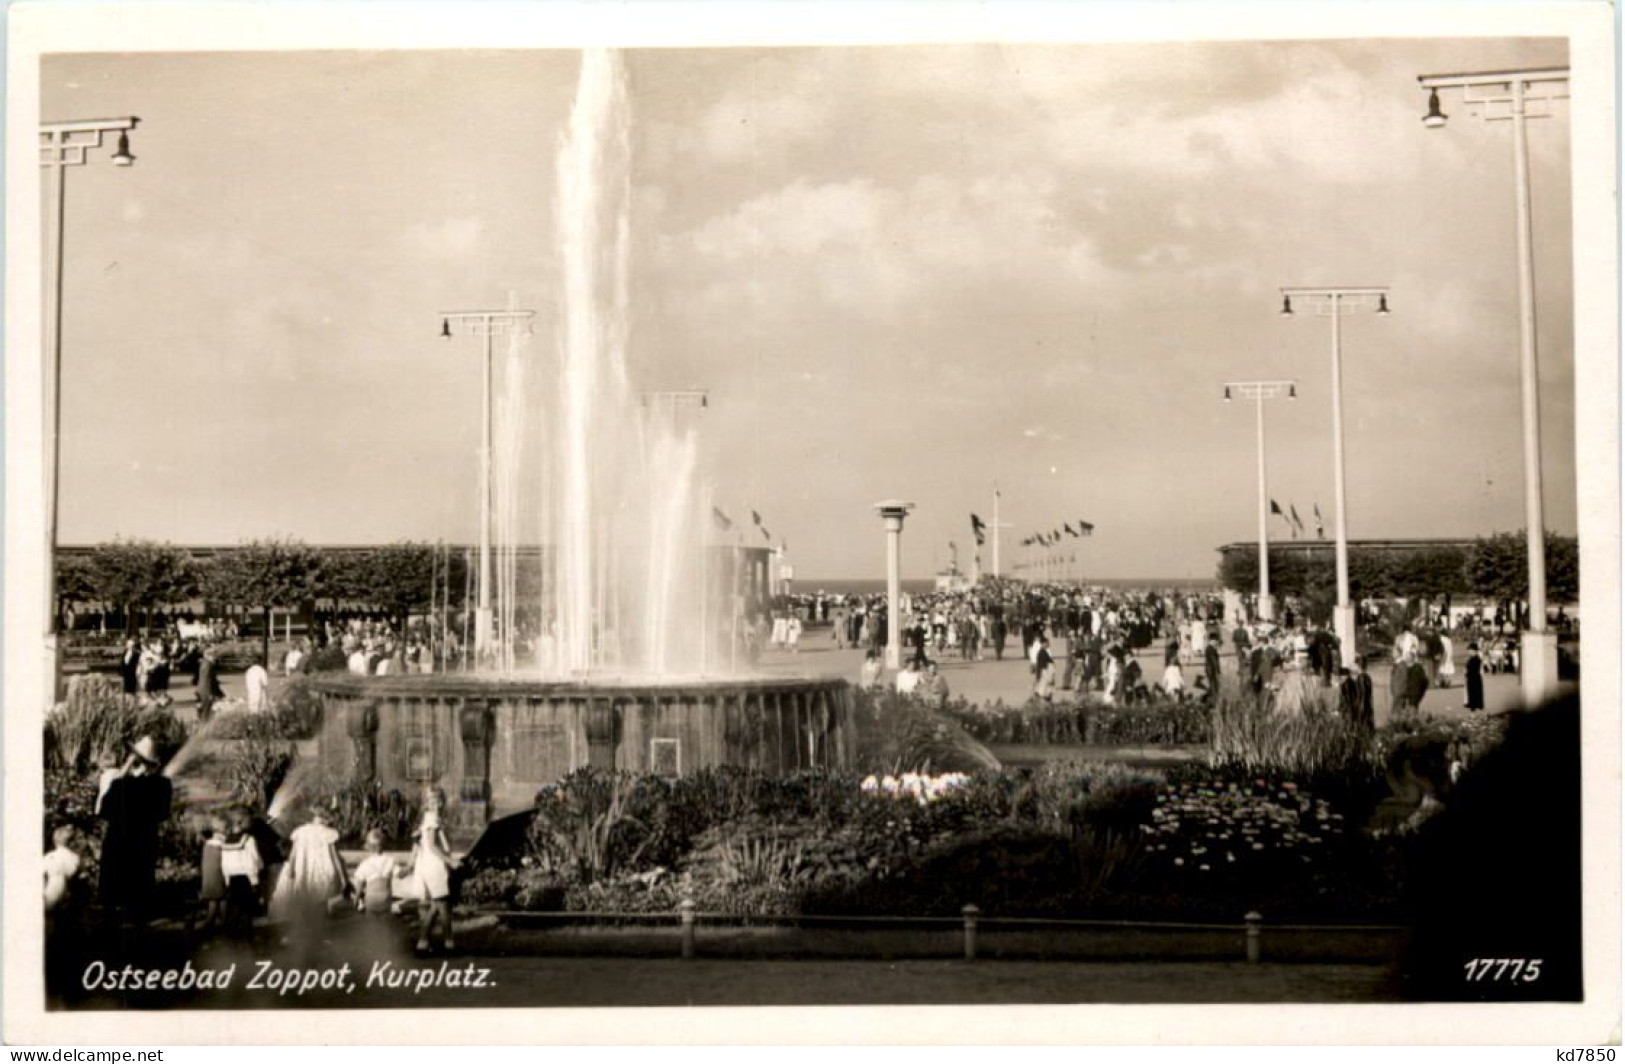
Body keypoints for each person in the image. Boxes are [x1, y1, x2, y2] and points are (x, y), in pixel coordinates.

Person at [97, 736, 174, 924]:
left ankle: (110, 914)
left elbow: (104, 811)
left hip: (117, 837)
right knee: (141, 874)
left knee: (114, 873)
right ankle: (138, 914)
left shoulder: (119, 784)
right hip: (144, 838)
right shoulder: (162, 785)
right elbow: (163, 813)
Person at [270, 807, 348, 931]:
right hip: (323, 870)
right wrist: (343, 878)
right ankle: (319, 928)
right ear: (324, 819)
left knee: (305, 898)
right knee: (321, 899)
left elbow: (293, 853)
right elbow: (335, 857)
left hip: (304, 869)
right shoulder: (328, 833)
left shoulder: (300, 832)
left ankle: (305, 928)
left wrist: (291, 869)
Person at [412, 789, 460, 953]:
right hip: (434, 866)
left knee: (437, 904)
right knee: (443, 904)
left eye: (439, 801)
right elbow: (432, 846)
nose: (437, 804)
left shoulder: (432, 818)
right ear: (427, 803)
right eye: (432, 801)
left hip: (433, 865)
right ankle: (449, 942)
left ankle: (423, 941)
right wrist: (450, 861)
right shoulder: (431, 819)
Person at [219, 807, 264, 937]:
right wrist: (255, 880)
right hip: (246, 878)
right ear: (241, 821)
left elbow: (224, 864)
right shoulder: (248, 839)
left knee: (234, 907)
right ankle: (247, 938)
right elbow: (253, 860)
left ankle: (231, 937)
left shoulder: (226, 841)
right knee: (247, 910)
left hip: (232, 878)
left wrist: (226, 879)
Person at [352, 830, 401, 915]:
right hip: (385, 900)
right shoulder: (390, 861)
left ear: (369, 847)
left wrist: (355, 903)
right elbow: (400, 874)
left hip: (371, 901)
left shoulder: (365, 864)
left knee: (370, 922)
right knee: (385, 920)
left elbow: (359, 887)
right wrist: (410, 866)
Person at [196, 813, 228, 933]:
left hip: (211, 869)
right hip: (215, 869)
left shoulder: (209, 842)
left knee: (217, 897)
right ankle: (215, 922)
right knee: (218, 897)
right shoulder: (219, 839)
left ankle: (214, 922)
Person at [44, 824, 82, 914]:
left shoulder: (49, 856)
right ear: (71, 842)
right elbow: (74, 874)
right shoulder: (74, 857)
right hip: (67, 892)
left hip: (50, 890)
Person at [195, 645, 224, 722]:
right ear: (209, 656)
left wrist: (220, 693)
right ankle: (204, 728)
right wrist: (210, 693)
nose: (215, 657)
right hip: (206, 692)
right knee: (206, 713)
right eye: (214, 655)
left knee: (204, 712)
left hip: (202, 691)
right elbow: (207, 680)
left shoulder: (205, 663)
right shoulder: (208, 665)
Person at [1464, 642, 1485, 712]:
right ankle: (1473, 703)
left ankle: (1474, 704)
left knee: (1474, 691)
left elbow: (1473, 668)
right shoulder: (1472, 658)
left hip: (1474, 677)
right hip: (1472, 676)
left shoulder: (1476, 659)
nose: (1468, 652)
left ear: (1473, 650)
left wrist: (1467, 672)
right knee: (1471, 691)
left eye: (1469, 650)